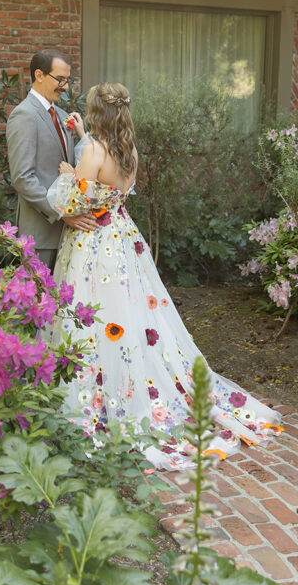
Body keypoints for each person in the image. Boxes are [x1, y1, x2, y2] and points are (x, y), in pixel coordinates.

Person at [44, 81, 283, 470]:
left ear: (95, 113)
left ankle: (100, 398)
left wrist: (71, 171)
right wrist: (82, 140)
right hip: (122, 239)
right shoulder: (129, 151)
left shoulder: (93, 151)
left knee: (92, 318)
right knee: (130, 317)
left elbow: (75, 199)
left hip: (93, 245)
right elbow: (110, 183)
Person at [6, 48, 96, 271]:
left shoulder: (64, 117)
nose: (65, 87)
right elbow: (22, 178)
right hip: (41, 234)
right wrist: (62, 213)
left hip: (69, 232)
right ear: (39, 75)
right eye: (60, 79)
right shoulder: (24, 115)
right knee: (38, 302)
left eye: (67, 80)